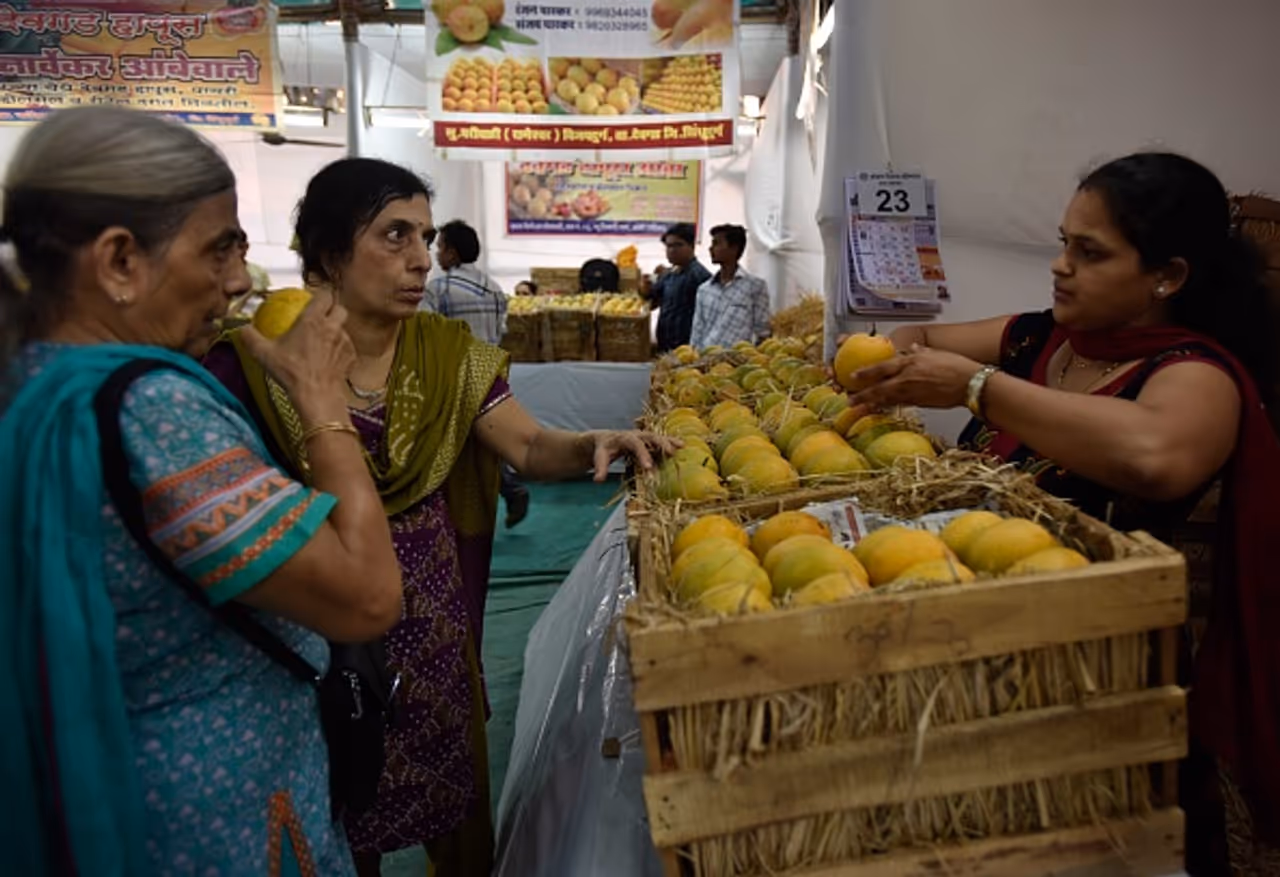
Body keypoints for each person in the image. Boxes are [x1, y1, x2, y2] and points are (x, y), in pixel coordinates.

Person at [205, 157, 676, 877]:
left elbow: (525, 441)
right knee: (337, 810)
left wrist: (592, 443)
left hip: (430, 628)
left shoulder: (447, 354)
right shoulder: (254, 364)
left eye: (424, 236)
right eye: (395, 236)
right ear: (330, 251)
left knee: (451, 810)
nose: (421, 258)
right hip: (312, 637)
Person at [844, 152, 1280, 875]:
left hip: (1087, 689)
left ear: (1167, 276)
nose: (1060, 265)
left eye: (1090, 251)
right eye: (1062, 241)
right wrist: (888, 356)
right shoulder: (1038, 339)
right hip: (970, 654)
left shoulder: (1193, 372)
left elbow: (1154, 456)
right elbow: (914, 339)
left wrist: (979, 389)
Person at [0, 106, 403, 875]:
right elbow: (367, 597)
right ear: (119, 261)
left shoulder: (29, 377)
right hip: (212, 815)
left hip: (100, 780)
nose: (238, 282)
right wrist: (321, 399)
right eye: (218, 250)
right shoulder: (154, 410)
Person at [420, 219, 530, 526]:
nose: (437, 254)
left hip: (452, 377)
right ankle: (508, 490)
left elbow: (425, 337)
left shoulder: (438, 289)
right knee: (482, 441)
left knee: (456, 445)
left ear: (452, 253)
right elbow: (500, 332)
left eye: (439, 247)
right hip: (490, 376)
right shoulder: (494, 289)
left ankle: (503, 493)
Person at [689, 223, 771, 349]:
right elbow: (697, 331)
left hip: (740, 362)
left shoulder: (755, 287)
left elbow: (763, 331)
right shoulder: (704, 290)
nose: (711, 249)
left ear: (734, 248)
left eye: (716, 243)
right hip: (707, 360)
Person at [646, 222, 711, 351]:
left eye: (678, 245)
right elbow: (652, 300)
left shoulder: (700, 277)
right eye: (669, 246)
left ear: (692, 246)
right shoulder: (668, 274)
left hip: (688, 348)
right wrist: (645, 285)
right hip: (665, 344)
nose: (672, 250)